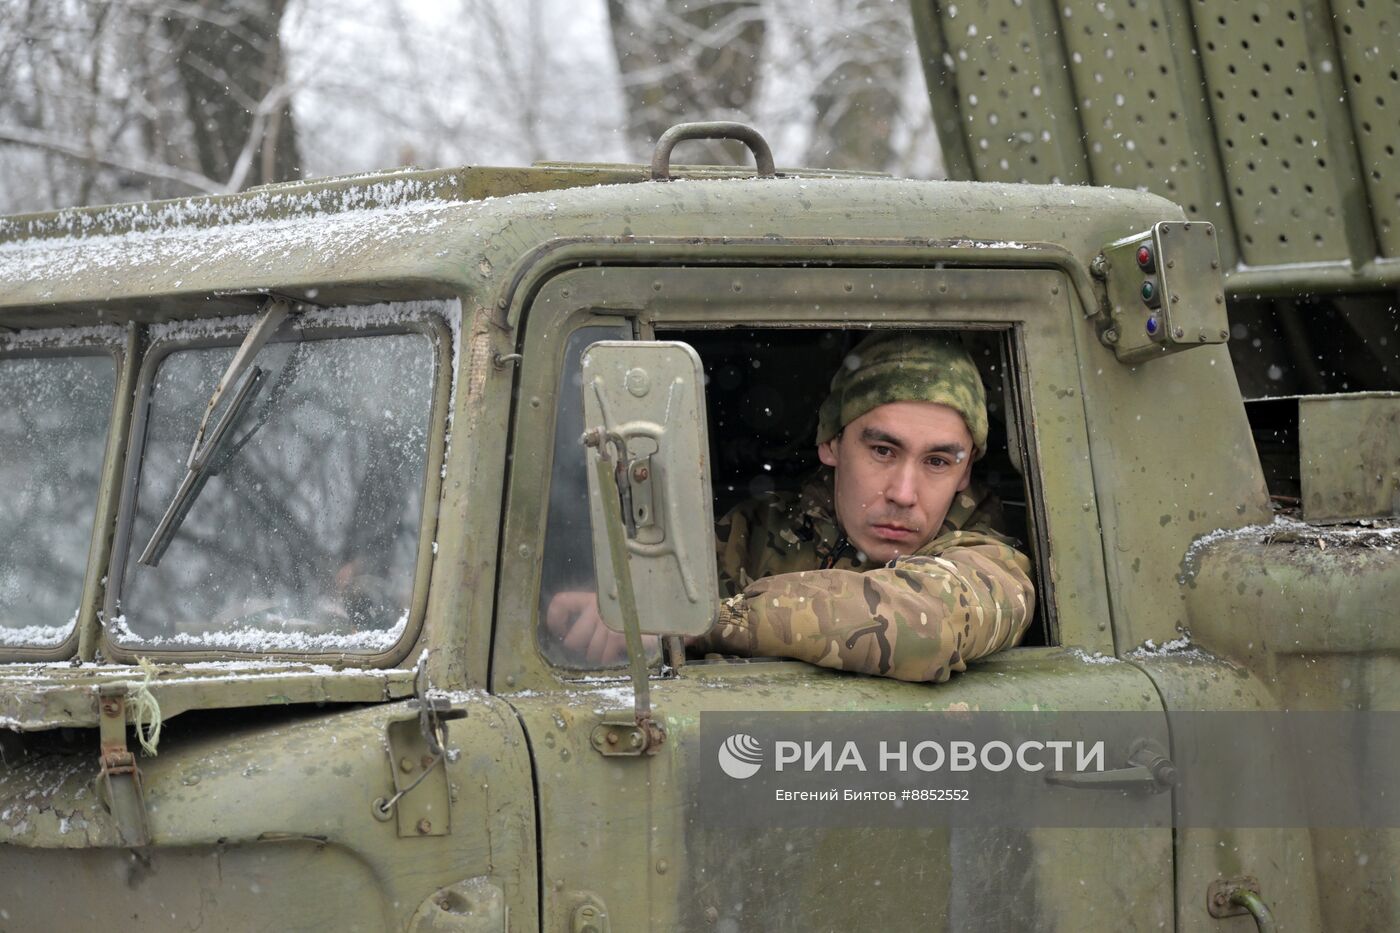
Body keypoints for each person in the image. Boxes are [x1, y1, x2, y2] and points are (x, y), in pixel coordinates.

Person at [544, 331, 1036, 683]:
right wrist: (602, 616)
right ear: (831, 444)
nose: (904, 493)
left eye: (937, 461)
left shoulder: (991, 559)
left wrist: (700, 623)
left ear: (966, 470)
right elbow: (639, 605)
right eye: (883, 451)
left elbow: (925, 626)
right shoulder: (753, 531)